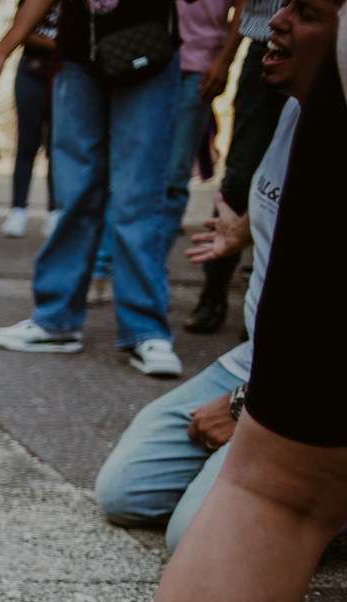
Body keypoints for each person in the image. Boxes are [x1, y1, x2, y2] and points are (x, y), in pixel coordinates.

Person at [17, 0, 347, 602]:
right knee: (240, 491)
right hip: (264, 377)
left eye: (304, 11)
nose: (274, 25)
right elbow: (280, 484)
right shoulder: (299, 121)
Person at [92, 0, 296, 556]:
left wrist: (241, 407)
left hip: (311, 385)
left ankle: (311, 493)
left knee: (195, 537)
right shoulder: (290, 109)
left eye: (304, 10)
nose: (272, 19)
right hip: (257, 360)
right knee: (124, 493)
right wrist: (245, 231)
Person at [0, 0, 185, 380]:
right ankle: (56, 320)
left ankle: (146, 330)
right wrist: (2, 51)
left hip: (147, 50)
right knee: (74, 193)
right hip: (77, 55)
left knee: (138, 194)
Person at [87, 0, 236, 306]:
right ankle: (102, 266)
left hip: (200, 66)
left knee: (173, 176)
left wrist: (225, 59)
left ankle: (149, 270)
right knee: (127, 171)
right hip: (146, 52)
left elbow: (246, 11)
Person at [186, 0, 286, 334]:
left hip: (326, 47)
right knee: (241, 177)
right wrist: (225, 58)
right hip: (266, 46)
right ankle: (214, 292)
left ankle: (268, 306)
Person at [1, 0, 59, 239]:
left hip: (63, 73)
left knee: (58, 146)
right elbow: (22, 31)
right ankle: (18, 209)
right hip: (33, 70)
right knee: (27, 142)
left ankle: (56, 210)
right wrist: (57, 45)